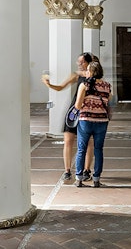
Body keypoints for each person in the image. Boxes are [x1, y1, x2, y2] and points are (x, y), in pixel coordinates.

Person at [41, 52, 95, 181]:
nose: (79, 64)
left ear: (88, 63)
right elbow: (60, 87)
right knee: (68, 140)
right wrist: (49, 85)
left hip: (88, 112)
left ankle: (87, 170)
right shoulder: (76, 75)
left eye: (82, 62)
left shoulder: (94, 76)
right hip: (74, 111)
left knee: (88, 143)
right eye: (79, 62)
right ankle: (67, 171)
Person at [74, 59, 112, 188]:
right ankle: (96, 179)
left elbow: (78, 105)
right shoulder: (107, 86)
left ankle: (79, 179)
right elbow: (108, 101)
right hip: (102, 122)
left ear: (90, 72)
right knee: (98, 149)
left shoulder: (84, 85)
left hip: (85, 121)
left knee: (81, 149)